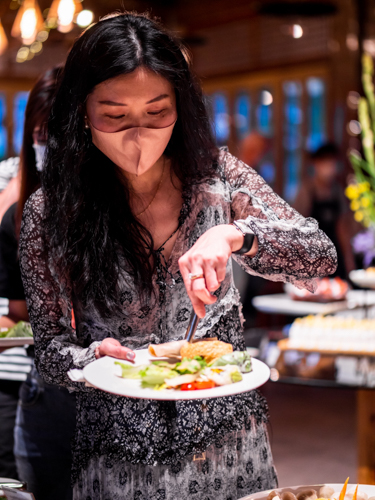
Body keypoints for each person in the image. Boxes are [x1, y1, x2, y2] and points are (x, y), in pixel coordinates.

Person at [19, 12, 337, 499]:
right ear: (82, 110)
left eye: (157, 112)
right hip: (119, 463)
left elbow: (319, 257)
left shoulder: (218, 178)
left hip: (229, 450)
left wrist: (237, 235)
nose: (138, 135)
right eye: (115, 114)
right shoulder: (52, 209)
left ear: (180, 106)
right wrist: (88, 357)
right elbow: (50, 350)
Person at [0, 66, 76, 500]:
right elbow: (18, 307)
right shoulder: (18, 206)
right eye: (42, 135)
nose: (50, 145)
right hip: (39, 381)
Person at [294, 143, 355, 279]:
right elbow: (297, 226)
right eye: (325, 162)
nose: (329, 167)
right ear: (315, 164)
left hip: (335, 253)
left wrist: (349, 261)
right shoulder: (307, 190)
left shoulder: (337, 191)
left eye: (332, 162)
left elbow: (343, 227)